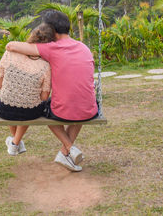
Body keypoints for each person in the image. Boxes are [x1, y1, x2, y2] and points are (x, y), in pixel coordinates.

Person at [6, 10, 98, 172]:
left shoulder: (51, 49)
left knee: (43, 111)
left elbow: (11, 46)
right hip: (89, 109)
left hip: (64, 111)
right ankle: (65, 153)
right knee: (80, 108)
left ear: (52, 30)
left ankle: (68, 147)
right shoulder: (84, 47)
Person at [0, 23, 55, 156]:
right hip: (31, 113)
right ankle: (16, 143)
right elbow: (44, 97)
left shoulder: (9, 53)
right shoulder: (46, 65)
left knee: (15, 100)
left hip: (4, 110)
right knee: (28, 103)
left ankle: (16, 143)